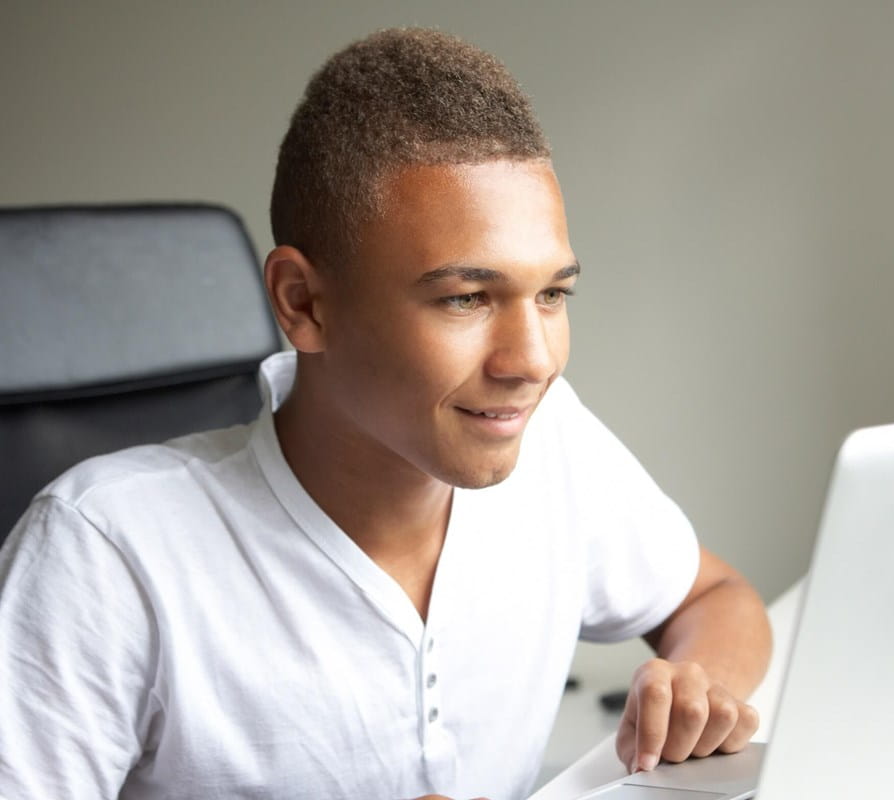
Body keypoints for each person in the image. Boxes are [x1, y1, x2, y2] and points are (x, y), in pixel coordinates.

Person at [0, 28, 771, 800]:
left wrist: (695, 684)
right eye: (466, 298)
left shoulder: (549, 439)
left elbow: (714, 598)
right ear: (304, 304)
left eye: (552, 295)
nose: (532, 361)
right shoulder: (102, 554)